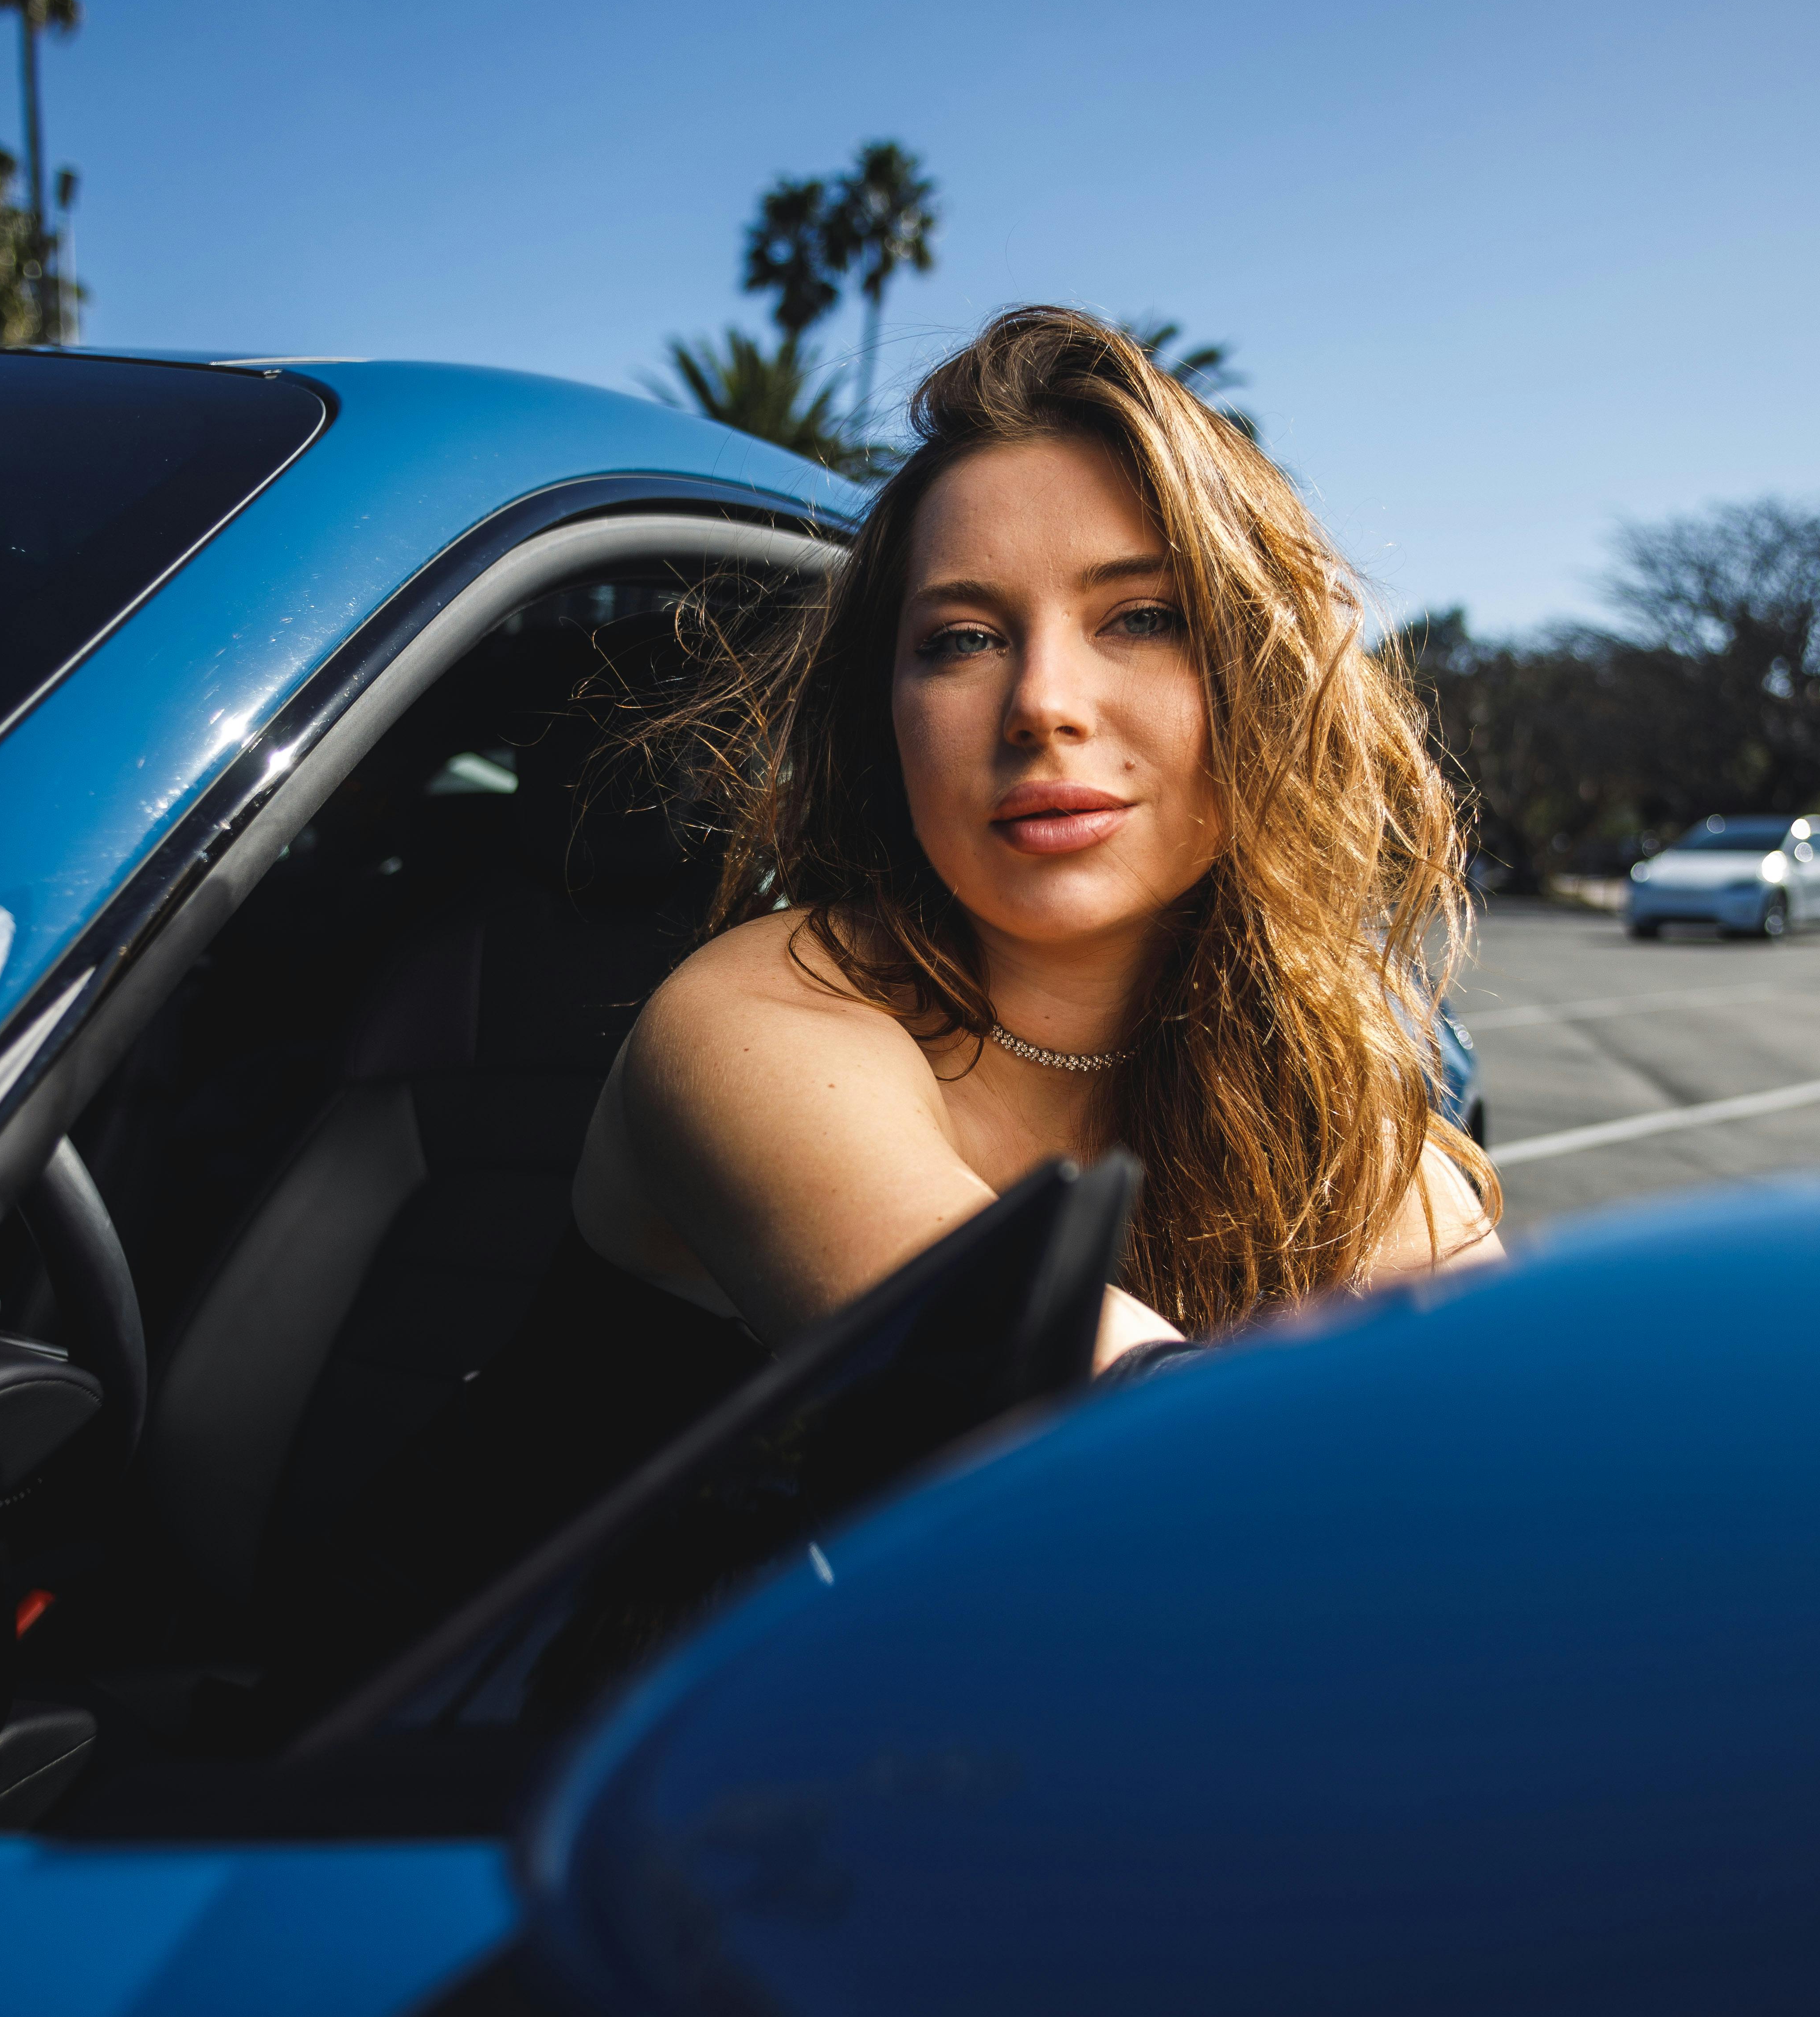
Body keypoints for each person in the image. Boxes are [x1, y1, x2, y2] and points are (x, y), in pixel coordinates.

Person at [571, 305, 1500, 1372]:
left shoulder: (1316, 1079)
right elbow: (1088, 1410)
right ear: (888, 719)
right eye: (962, 640)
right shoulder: (754, 1021)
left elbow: (1502, 1425)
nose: (1043, 704)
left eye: (1140, 618)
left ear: (1260, 688)